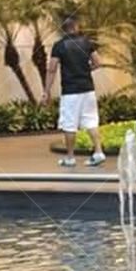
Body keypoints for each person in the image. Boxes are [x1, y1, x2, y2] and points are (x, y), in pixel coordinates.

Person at [41, 13, 105, 167]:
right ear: (76, 26)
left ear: (63, 29)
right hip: (88, 89)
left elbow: (52, 69)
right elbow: (98, 63)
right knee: (91, 121)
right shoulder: (86, 43)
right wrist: (85, 70)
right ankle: (98, 152)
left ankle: (70, 158)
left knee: (69, 124)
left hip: (70, 92)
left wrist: (46, 91)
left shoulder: (59, 46)